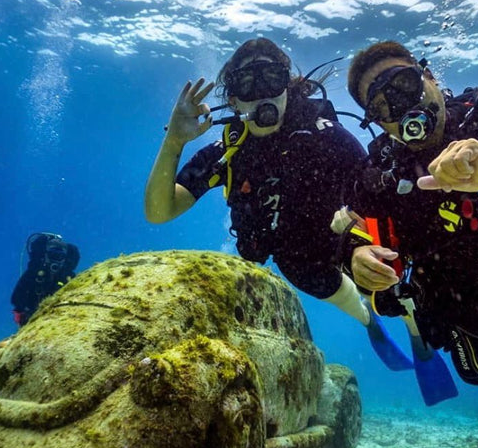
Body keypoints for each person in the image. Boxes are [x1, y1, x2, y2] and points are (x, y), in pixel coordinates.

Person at [144, 37, 420, 372]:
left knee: (388, 292)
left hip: (344, 247)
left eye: (272, 79)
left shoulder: (329, 139)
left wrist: (367, 249)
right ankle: (368, 321)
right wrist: (174, 140)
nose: (263, 94)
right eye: (248, 83)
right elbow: (159, 211)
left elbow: (377, 201)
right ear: (233, 99)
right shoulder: (227, 153)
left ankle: (408, 318)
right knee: (320, 283)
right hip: (300, 262)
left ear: (288, 87)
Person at [339, 40, 478, 401]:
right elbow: (351, 227)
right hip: (470, 320)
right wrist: (356, 257)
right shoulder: (380, 173)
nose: (400, 107)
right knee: (473, 374)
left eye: (403, 85)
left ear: (429, 77)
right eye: (381, 106)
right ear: (377, 123)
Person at [11, 232, 80, 326]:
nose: (55, 260)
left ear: (64, 259)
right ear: (45, 256)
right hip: (32, 315)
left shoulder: (67, 275)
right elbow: (17, 296)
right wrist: (20, 311)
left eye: (59, 257)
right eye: (52, 255)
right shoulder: (34, 273)